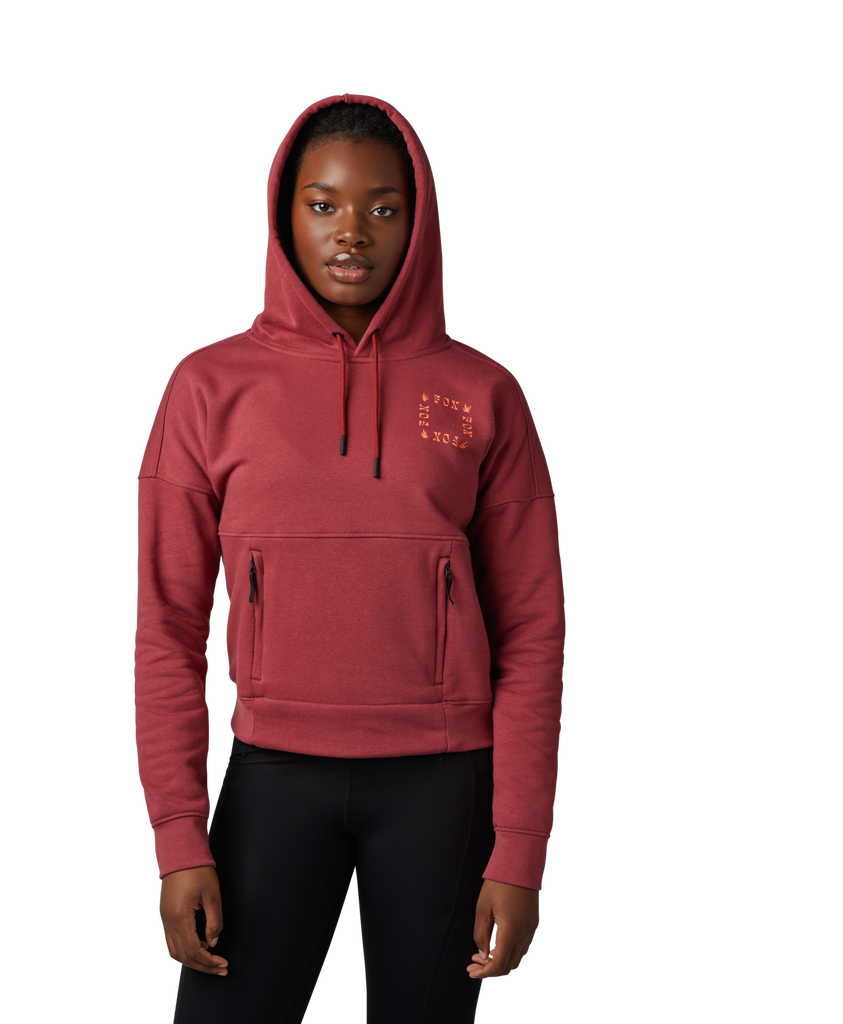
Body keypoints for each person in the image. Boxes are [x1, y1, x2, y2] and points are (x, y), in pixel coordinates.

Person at [132, 90, 568, 1022]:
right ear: (282, 215)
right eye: (323, 203)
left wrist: (522, 850)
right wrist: (177, 837)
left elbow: (534, 631)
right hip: (271, 776)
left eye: (384, 207)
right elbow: (166, 625)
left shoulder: (484, 392)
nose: (353, 232)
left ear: (420, 221)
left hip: (445, 785)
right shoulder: (207, 385)